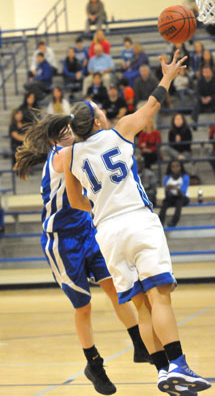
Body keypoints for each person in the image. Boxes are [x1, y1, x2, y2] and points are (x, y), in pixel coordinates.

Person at [59, 50, 211, 395]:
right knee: (160, 297)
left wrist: (99, 207)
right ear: (98, 121)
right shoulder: (120, 131)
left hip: (107, 233)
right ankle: (180, 366)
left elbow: (73, 201)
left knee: (141, 303)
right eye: (100, 111)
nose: (104, 113)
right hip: (137, 221)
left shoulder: (72, 156)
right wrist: (168, 76)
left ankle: (161, 371)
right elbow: (153, 105)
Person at [14, 115, 151, 395]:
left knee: (114, 288)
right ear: (55, 140)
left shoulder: (74, 150)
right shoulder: (62, 156)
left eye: (71, 130)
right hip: (62, 241)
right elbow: (93, 149)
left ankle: (139, 343)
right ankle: (94, 364)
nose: (70, 135)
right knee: (84, 306)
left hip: (87, 232)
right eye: (65, 132)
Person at [159, 160, 190, 227]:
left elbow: (182, 193)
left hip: (183, 197)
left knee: (179, 202)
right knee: (164, 203)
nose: (175, 168)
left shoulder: (185, 177)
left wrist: (175, 188)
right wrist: (170, 190)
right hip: (171, 197)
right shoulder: (167, 178)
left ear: (181, 167)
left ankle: (173, 222)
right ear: (170, 168)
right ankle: (160, 222)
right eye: (173, 166)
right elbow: (167, 193)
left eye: (177, 166)